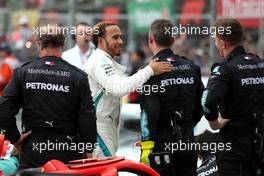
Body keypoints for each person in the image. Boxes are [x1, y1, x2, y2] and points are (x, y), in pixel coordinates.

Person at [0, 24, 97, 169]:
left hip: (33, 149)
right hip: (68, 151)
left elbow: (4, 111)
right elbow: (87, 118)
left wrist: (15, 139)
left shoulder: (23, 73)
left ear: (39, 44)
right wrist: (88, 149)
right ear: (63, 44)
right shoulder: (78, 77)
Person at [83, 21, 172, 158]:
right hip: (99, 130)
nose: (120, 41)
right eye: (115, 37)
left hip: (104, 128)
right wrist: (149, 70)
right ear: (100, 41)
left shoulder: (104, 60)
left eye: (120, 37)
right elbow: (118, 88)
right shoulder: (100, 61)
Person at [139, 19, 204, 176]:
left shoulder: (149, 72)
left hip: (161, 147)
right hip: (187, 143)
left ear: (150, 39)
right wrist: (185, 126)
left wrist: (146, 148)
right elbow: (202, 105)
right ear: (173, 40)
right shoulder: (192, 67)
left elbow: (149, 114)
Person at [202, 18, 264, 176]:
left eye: (215, 39)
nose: (215, 44)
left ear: (223, 42)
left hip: (235, 152)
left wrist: (215, 124)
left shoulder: (225, 69)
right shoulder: (261, 64)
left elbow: (207, 102)